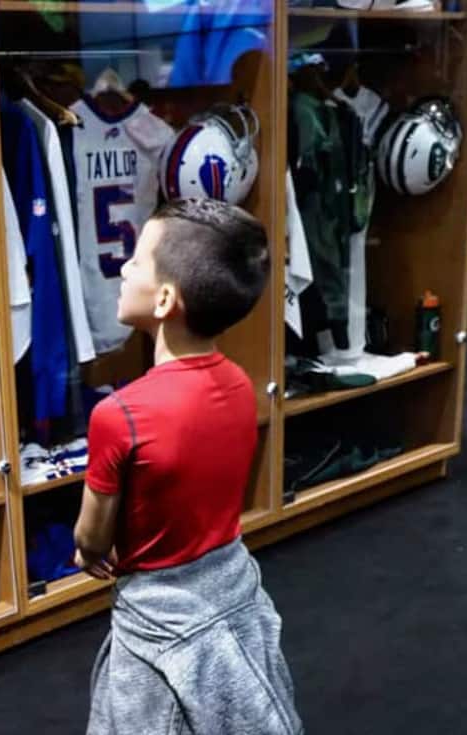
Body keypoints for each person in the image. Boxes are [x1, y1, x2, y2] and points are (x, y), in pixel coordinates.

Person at [74, 198, 302, 735]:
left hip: (157, 621)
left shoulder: (118, 414)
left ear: (165, 300)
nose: (124, 269)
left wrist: (89, 551)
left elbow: (91, 537)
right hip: (233, 594)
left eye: (136, 260)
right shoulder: (240, 384)